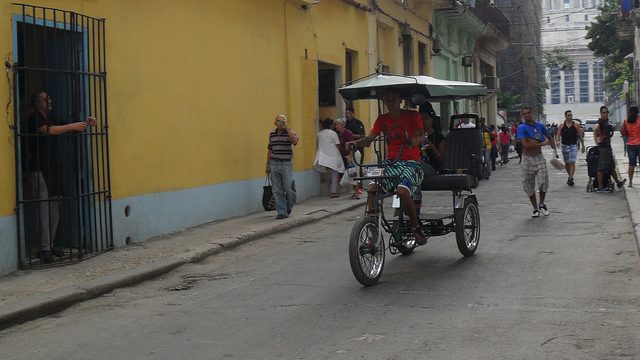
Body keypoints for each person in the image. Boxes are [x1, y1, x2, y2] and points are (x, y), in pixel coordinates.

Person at [26, 90, 96, 263]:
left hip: (53, 168)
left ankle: (49, 244)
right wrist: (71, 127)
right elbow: (47, 131)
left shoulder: (52, 117)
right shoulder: (34, 119)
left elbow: (69, 127)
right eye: (45, 99)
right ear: (37, 104)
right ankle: (44, 249)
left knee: (55, 207)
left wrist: (84, 123)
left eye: (49, 97)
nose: (49, 100)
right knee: (44, 209)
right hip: (40, 168)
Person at [353, 89, 426, 244]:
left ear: (400, 100)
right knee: (372, 188)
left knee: (401, 191)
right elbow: (371, 137)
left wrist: (413, 141)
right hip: (391, 162)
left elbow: (421, 135)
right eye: (387, 100)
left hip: (411, 163)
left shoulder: (413, 115)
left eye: (393, 99)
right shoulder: (382, 120)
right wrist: (361, 142)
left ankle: (415, 227)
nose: (390, 103)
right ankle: (372, 225)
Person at [517, 106, 558, 217]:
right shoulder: (521, 127)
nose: (526, 115)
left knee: (543, 181)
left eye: (528, 113)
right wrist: (541, 143)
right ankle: (535, 208)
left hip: (538, 157)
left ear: (532, 113)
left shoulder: (540, 126)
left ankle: (542, 203)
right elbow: (525, 144)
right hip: (526, 158)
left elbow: (549, 136)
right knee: (528, 185)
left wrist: (554, 149)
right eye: (524, 114)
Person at [266, 114, 299, 219]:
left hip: (286, 163)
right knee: (277, 189)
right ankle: (282, 211)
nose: (281, 122)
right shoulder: (272, 133)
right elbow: (270, 149)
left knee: (289, 187)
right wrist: (267, 164)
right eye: (279, 120)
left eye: (283, 120)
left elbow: (295, 142)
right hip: (274, 163)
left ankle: (288, 206)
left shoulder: (290, 132)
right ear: (275, 122)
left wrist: (287, 128)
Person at [414, 104, 445, 214]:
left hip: (432, 168)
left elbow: (441, 158)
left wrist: (432, 147)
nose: (423, 122)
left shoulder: (439, 136)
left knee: (415, 164)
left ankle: (417, 201)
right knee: (412, 167)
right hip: (416, 167)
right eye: (421, 119)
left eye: (426, 119)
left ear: (432, 120)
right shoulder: (416, 135)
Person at [594, 106, 626, 192]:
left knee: (611, 166)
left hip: (608, 147)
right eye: (604, 112)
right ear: (601, 113)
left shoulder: (606, 121)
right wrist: (600, 137)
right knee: (601, 167)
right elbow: (596, 128)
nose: (606, 114)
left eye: (607, 112)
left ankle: (618, 182)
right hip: (603, 148)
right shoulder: (600, 121)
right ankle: (600, 186)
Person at [313, 118, 345, 198]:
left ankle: (332, 190)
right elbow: (337, 145)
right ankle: (333, 192)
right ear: (331, 125)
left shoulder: (319, 134)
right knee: (334, 174)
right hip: (334, 155)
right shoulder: (333, 133)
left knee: (331, 173)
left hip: (323, 156)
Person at [555, 110, 584, 186]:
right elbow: (558, 134)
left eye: (571, 115)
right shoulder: (562, 125)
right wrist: (557, 141)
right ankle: (569, 176)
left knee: (572, 162)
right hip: (565, 146)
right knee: (567, 163)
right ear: (565, 116)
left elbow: (580, 135)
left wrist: (583, 145)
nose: (570, 117)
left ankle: (571, 178)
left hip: (573, 145)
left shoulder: (576, 125)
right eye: (568, 115)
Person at [333, 117, 359, 199]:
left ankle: (356, 193)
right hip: (348, 156)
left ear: (342, 125)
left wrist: (350, 157)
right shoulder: (340, 134)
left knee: (354, 173)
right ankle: (355, 192)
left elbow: (352, 145)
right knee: (352, 174)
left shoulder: (347, 133)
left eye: (337, 125)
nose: (336, 126)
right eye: (335, 125)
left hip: (353, 155)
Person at [620, 106, 640, 187]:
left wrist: (627, 136)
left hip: (630, 145)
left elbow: (622, 131)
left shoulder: (626, 121)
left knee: (631, 164)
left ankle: (630, 183)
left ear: (629, 112)